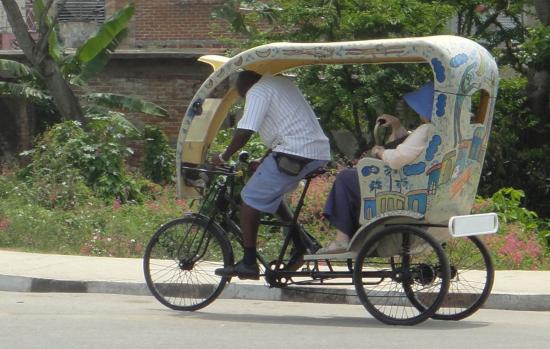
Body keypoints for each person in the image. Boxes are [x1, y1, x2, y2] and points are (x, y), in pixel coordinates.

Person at [212, 70, 331, 279]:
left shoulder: (257, 91)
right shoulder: (280, 83)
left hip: (295, 152)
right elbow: (287, 127)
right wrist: (264, 158)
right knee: (273, 199)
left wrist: (223, 157)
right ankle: (302, 244)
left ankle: (249, 263)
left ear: (244, 85)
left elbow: (245, 130)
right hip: (313, 152)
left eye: (239, 91)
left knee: (248, 199)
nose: (241, 96)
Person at [319, 82, 435, 254]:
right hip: (418, 182)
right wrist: (396, 126)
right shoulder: (440, 130)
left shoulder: (426, 129)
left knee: (345, 178)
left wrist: (380, 152)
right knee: (353, 178)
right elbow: (411, 147)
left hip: (401, 185)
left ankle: (342, 239)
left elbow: (398, 158)